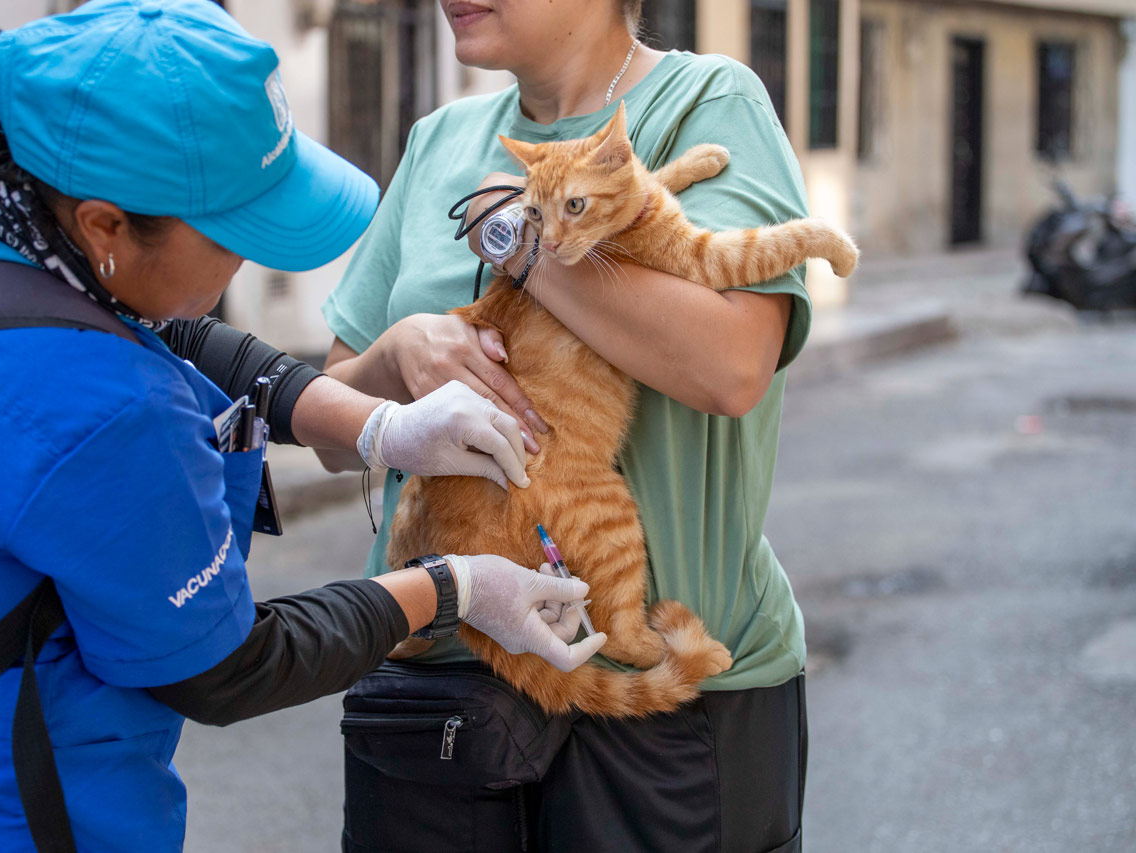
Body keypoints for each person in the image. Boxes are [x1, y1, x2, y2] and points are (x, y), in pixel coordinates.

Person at [0, 1, 606, 849]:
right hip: (12, 818)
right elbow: (224, 667)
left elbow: (150, 318)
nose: (247, 258)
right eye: (232, 232)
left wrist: (372, 425)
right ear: (106, 223)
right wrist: (456, 587)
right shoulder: (98, 413)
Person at [318, 0, 810, 850]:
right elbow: (333, 427)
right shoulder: (441, 139)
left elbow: (732, 368)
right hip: (437, 686)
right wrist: (396, 355)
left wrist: (519, 241)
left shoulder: (708, 103)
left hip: (654, 694)